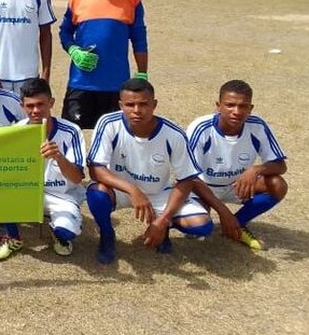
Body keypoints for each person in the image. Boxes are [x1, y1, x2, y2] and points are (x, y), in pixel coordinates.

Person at [86, 78, 213, 264]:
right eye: (130, 105)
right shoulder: (108, 123)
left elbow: (186, 180)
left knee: (201, 226)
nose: (137, 110)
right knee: (96, 192)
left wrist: (162, 220)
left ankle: (165, 229)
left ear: (154, 104)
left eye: (143, 104)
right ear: (121, 105)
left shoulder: (174, 134)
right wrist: (132, 190)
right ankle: (107, 236)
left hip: (158, 192)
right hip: (122, 190)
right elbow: (96, 169)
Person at [0, 78, 86, 260]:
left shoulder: (71, 131)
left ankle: (57, 233)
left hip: (61, 195)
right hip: (28, 190)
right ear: (22, 106)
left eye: (41, 104)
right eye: (30, 106)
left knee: (67, 232)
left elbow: (77, 178)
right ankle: (14, 238)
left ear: (51, 102)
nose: (35, 111)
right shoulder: (16, 131)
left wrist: (59, 156)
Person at [186, 80, 288, 251]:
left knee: (277, 185)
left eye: (243, 106)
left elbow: (280, 165)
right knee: (197, 228)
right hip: (202, 189)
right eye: (230, 105)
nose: (236, 112)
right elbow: (189, 176)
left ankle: (238, 225)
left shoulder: (257, 126)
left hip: (237, 186)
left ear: (251, 108)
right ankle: (215, 217)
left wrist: (256, 169)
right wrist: (223, 211)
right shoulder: (201, 128)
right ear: (218, 106)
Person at [58, 0, 148, 130]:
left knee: (115, 141)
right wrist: (74, 50)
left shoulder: (131, 1)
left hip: (116, 86)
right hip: (80, 83)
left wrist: (142, 74)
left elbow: (139, 40)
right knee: (73, 137)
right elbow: (65, 32)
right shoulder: (76, 0)